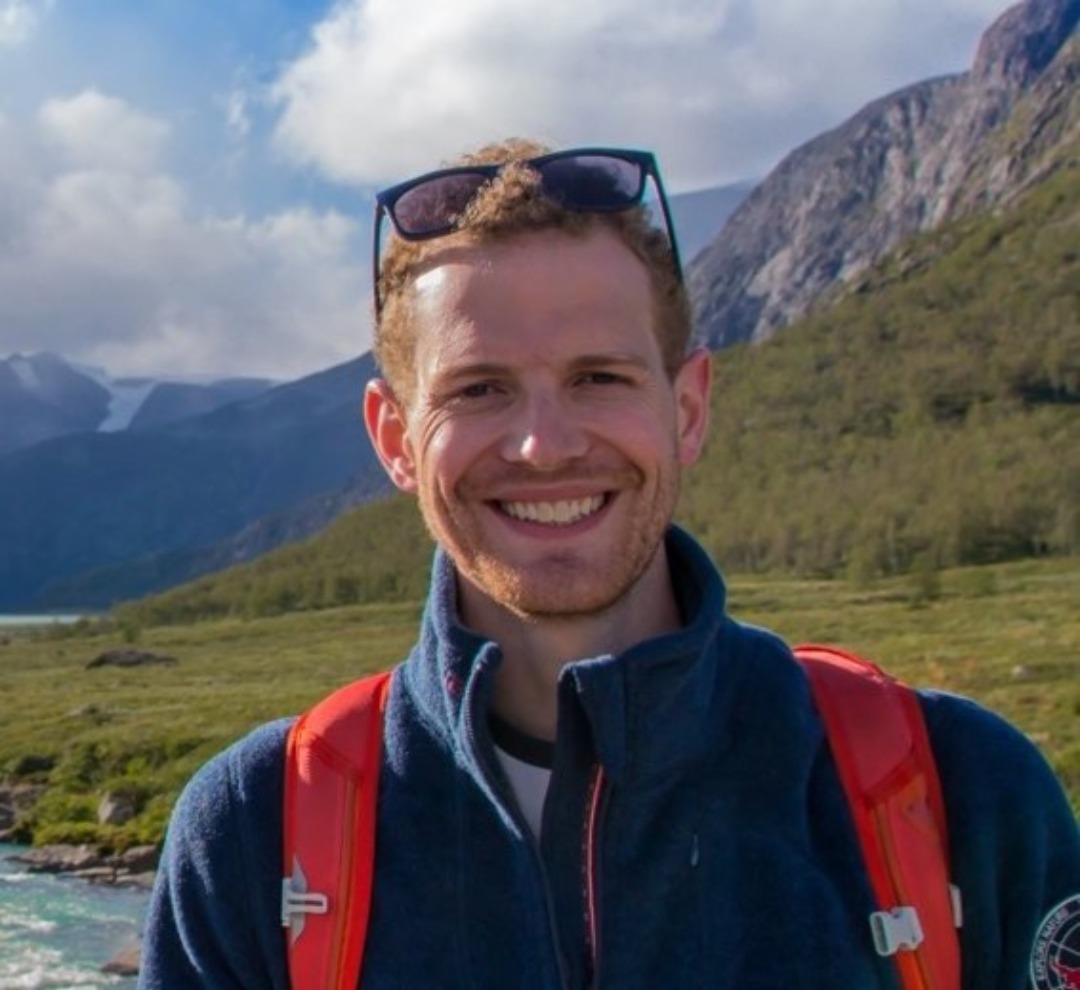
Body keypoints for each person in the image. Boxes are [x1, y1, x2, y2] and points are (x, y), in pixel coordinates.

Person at [139, 138, 1079, 988]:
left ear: (689, 409)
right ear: (395, 439)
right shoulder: (258, 829)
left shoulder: (958, 789)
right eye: (480, 389)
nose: (544, 445)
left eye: (599, 377)